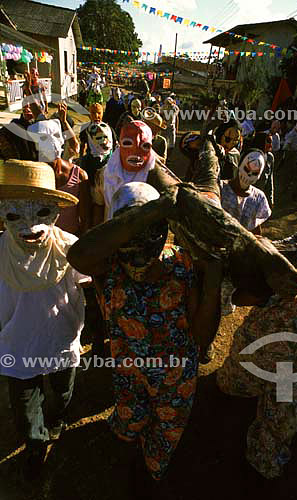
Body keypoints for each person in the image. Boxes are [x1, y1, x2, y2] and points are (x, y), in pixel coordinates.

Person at [66, 181, 222, 498]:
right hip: (128, 371)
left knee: (164, 434)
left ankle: (151, 474)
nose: (142, 239)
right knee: (130, 420)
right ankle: (131, 454)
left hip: (175, 376)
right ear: (117, 226)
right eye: (131, 224)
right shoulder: (106, 264)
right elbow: (78, 255)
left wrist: (212, 285)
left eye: (153, 227)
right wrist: (156, 208)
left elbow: (202, 337)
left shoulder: (182, 263)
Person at [0, 159, 90, 480]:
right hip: (16, 350)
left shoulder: (72, 249)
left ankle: (56, 420)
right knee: (26, 414)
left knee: (61, 394)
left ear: (54, 209)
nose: (29, 226)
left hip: (61, 343)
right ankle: (35, 448)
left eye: (40, 213)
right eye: (14, 215)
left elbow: (100, 283)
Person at [216, 228, 297, 479]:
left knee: (272, 441)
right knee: (228, 387)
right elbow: (261, 247)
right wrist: (287, 256)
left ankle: (257, 473)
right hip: (259, 344)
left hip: (296, 365)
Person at [27, 106, 91, 235]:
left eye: (54, 137)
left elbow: (85, 218)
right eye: (43, 139)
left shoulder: (79, 176)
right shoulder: (32, 177)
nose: (50, 144)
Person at [219, 149, 271, 235]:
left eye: (255, 173)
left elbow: (255, 229)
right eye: (246, 169)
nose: (249, 175)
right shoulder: (220, 187)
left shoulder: (259, 199)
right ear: (240, 165)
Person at [251, 131, 275, 208]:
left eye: (271, 142)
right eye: (268, 141)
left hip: (259, 195)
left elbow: (270, 179)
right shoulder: (251, 156)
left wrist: (270, 198)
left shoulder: (270, 157)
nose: (270, 145)